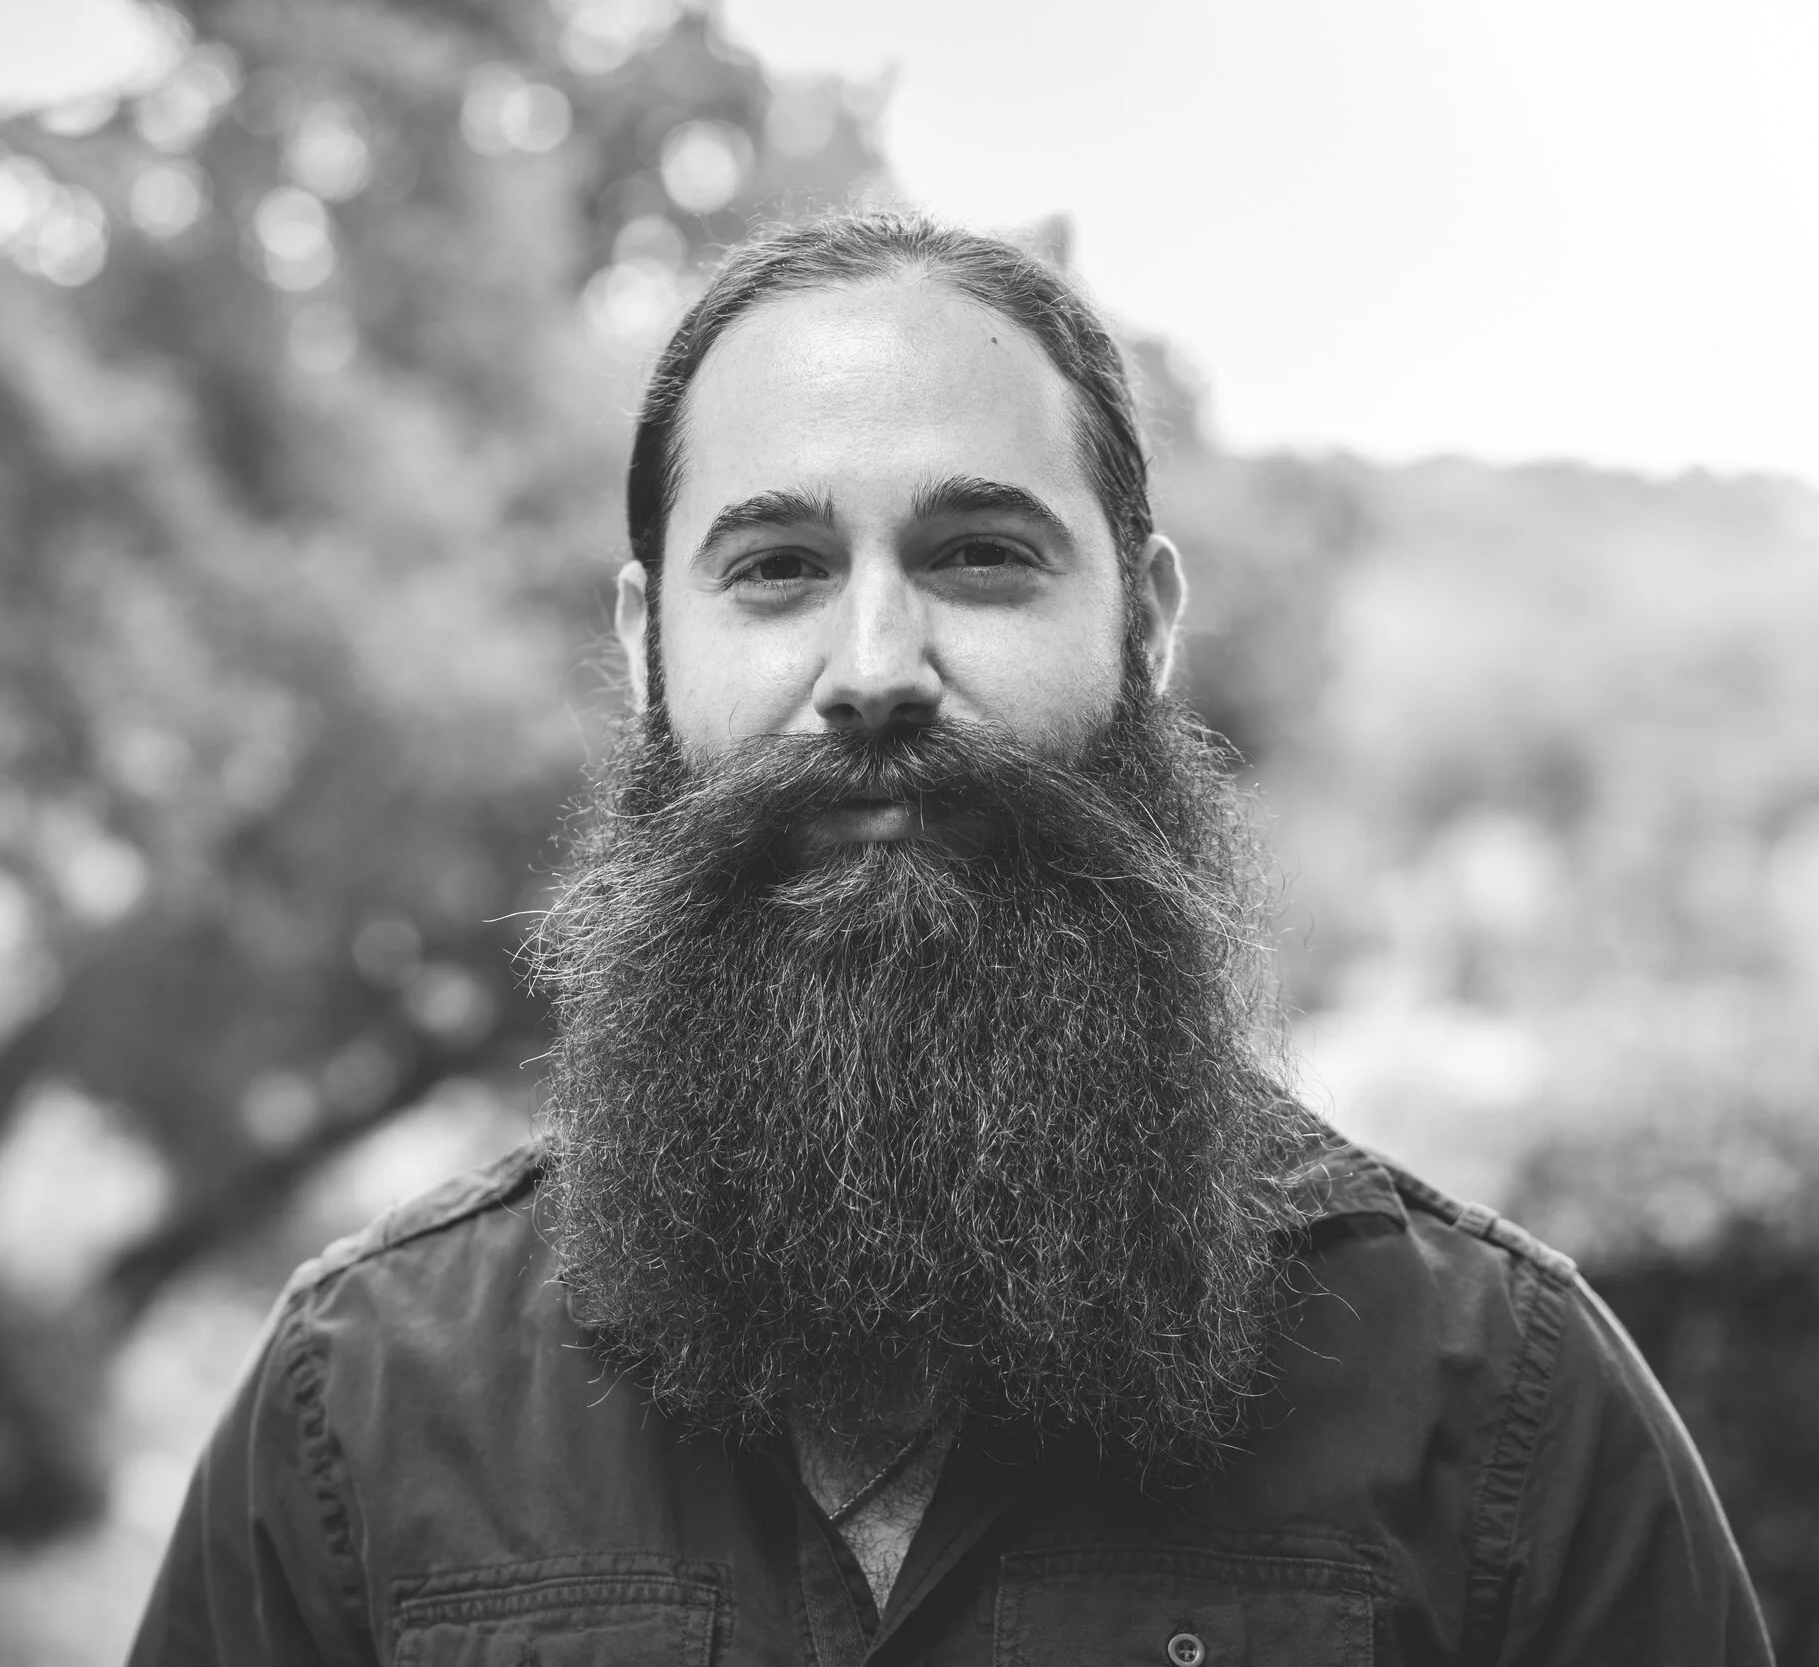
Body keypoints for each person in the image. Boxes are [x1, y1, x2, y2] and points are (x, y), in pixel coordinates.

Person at [127, 212, 1770, 1666]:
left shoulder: (1506, 1402)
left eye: (980, 557)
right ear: (646, 649)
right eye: (776, 567)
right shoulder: (360, 1405)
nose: (875, 667)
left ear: (1146, 624)